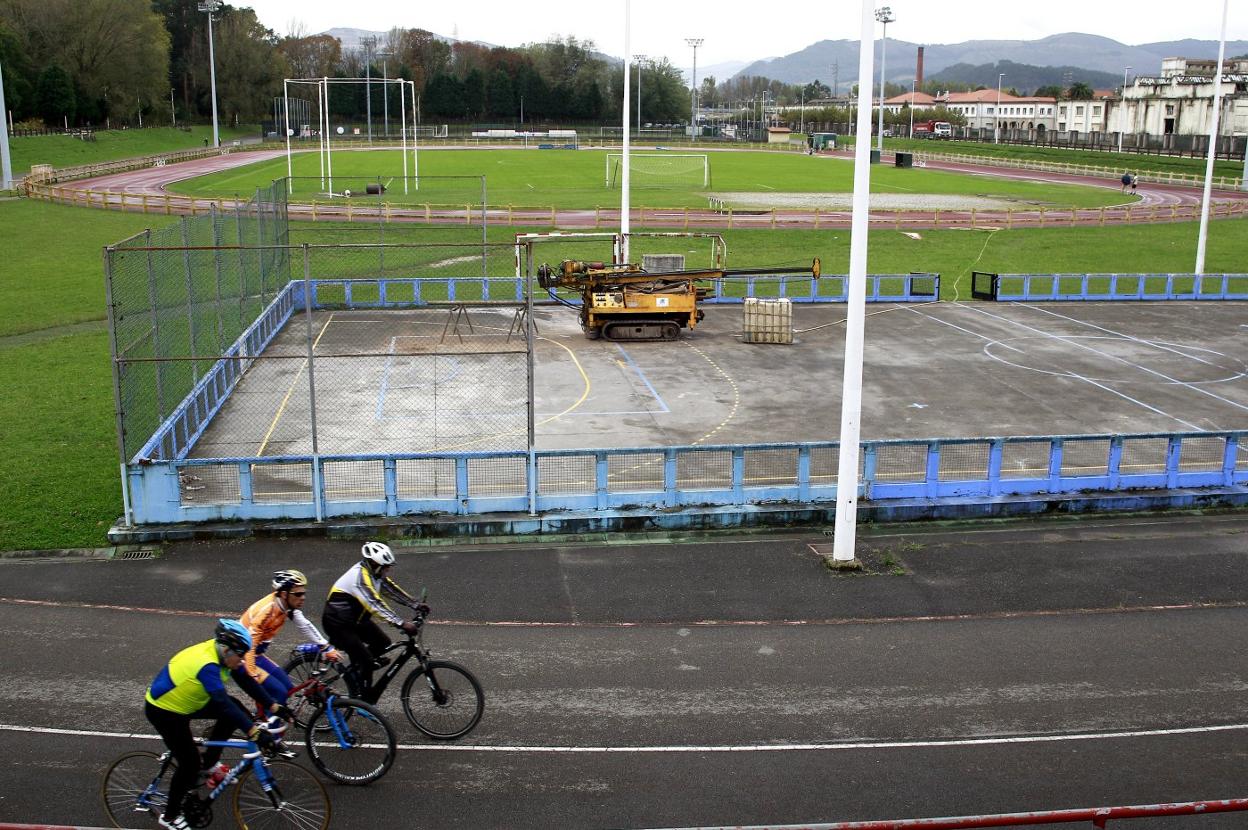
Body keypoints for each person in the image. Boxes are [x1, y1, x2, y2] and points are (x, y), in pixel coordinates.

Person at [144, 620, 291, 830]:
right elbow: (222, 703)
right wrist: (254, 732)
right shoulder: (207, 665)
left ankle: (210, 762)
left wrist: (274, 706)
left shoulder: (224, 655)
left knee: (236, 708)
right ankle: (170, 817)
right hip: (165, 711)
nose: (242, 660)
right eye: (240, 655)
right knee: (189, 764)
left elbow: (246, 681)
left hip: (189, 701)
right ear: (227, 649)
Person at [322, 542, 428, 701]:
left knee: (383, 642)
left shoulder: (375, 574)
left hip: (356, 621)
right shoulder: (359, 577)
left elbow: (391, 590)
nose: (388, 569)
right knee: (366, 660)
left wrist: (415, 604)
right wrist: (401, 623)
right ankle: (361, 699)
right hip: (338, 624)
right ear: (374, 564)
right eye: (386, 566)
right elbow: (374, 604)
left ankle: (358, 671)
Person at [240, 569, 340, 705]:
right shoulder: (267, 610)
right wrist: (252, 674)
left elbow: (305, 625)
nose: (303, 597)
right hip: (243, 657)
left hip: (257, 655)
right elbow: (249, 646)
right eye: (298, 594)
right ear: (283, 594)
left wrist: (326, 647)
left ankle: (264, 716)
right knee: (279, 693)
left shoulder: (287, 607)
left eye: (304, 593)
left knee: (287, 687)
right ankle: (266, 725)